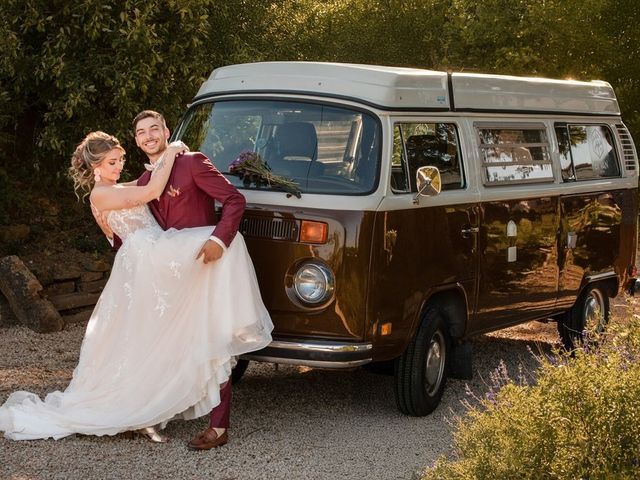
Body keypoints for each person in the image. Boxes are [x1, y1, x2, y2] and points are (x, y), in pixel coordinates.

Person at [0, 130, 273, 447]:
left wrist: (162, 164)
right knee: (229, 241)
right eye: (112, 162)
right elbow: (152, 189)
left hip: (153, 252)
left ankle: (188, 395)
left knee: (155, 334)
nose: (118, 167)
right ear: (96, 166)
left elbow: (145, 183)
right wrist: (173, 151)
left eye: (120, 161)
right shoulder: (100, 195)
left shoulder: (115, 187)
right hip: (148, 253)